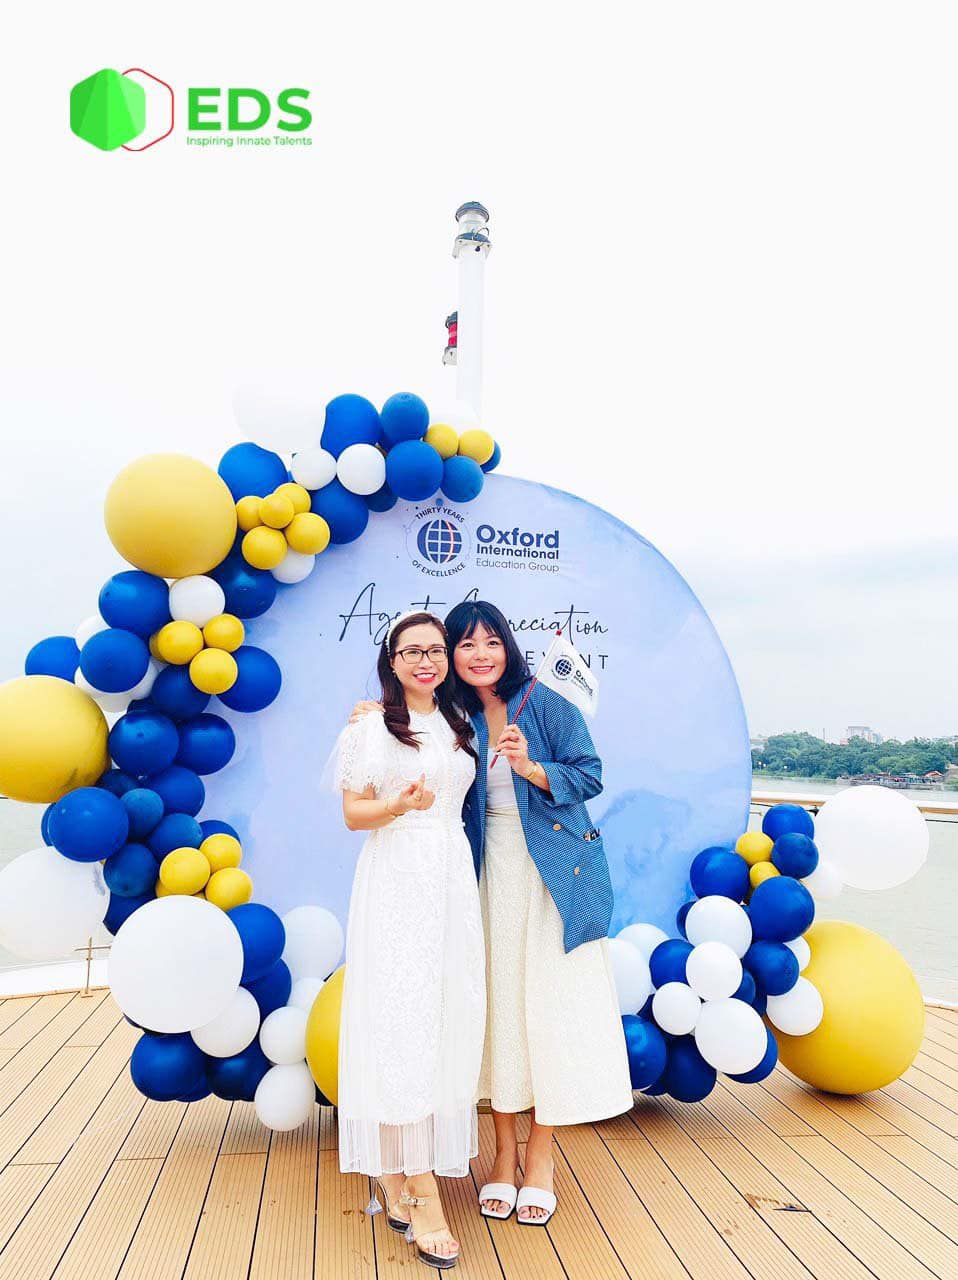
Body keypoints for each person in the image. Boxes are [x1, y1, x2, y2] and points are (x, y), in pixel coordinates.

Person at [352, 600, 633, 1228]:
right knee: (498, 1010)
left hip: (552, 872)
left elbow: (590, 776)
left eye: (492, 642)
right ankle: (502, 1155)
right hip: (479, 872)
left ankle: (541, 1158)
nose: (481, 655)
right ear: (449, 655)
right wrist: (372, 716)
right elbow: (405, 744)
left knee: (547, 1009)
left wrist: (532, 766)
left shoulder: (546, 703)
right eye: (466, 645)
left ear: (508, 646)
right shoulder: (453, 716)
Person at [332, 610, 484, 1271]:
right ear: (391, 661)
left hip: (450, 878)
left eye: (436, 650)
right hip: (396, 879)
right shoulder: (371, 727)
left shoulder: (458, 722)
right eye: (412, 651)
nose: (426, 661)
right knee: (400, 1022)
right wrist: (398, 805)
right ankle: (421, 1191)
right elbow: (352, 813)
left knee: (441, 1020)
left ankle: (394, 1173)